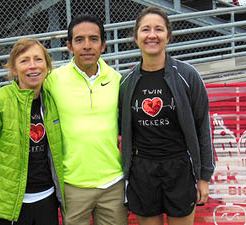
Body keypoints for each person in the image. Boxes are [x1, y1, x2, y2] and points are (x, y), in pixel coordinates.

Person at [119, 7, 215, 225]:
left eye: (159, 29)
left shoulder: (188, 76)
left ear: (168, 36)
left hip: (180, 168)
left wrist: (204, 177)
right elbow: (120, 127)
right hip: (142, 170)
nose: (152, 35)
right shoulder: (126, 82)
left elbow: (203, 128)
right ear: (136, 37)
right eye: (145, 29)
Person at [0, 37, 64, 225]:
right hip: (10, 206)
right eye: (24, 60)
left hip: (47, 200)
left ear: (47, 65)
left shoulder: (55, 100)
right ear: (13, 69)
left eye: (38, 59)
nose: (32, 66)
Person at [45, 15, 128, 225]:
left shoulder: (117, 80)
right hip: (72, 186)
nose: (87, 46)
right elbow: (24, 101)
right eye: (79, 40)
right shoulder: (53, 80)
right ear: (69, 47)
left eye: (93, 39)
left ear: (103, 45)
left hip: (113, 184)